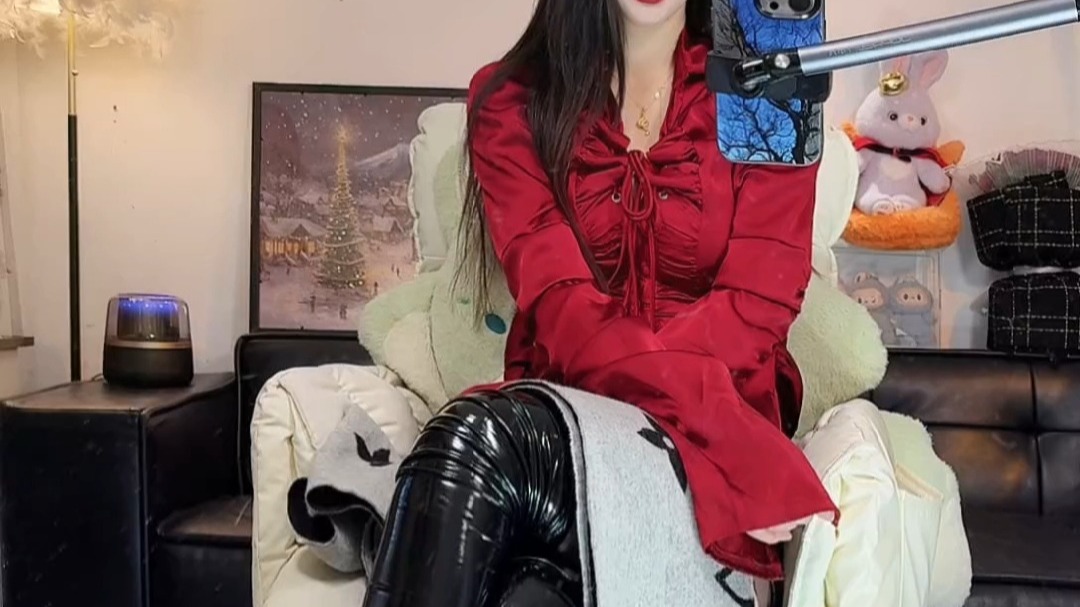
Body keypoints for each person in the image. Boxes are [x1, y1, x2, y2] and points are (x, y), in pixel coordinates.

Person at [362, 0, 837, 605]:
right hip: (577, 426)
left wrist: (716, 430)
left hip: (715, 444)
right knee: (488, 481)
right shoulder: (511, 102)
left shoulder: (769, 89)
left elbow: (760, 298)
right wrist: (721, 429)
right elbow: (559, 304)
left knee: (478, 453)